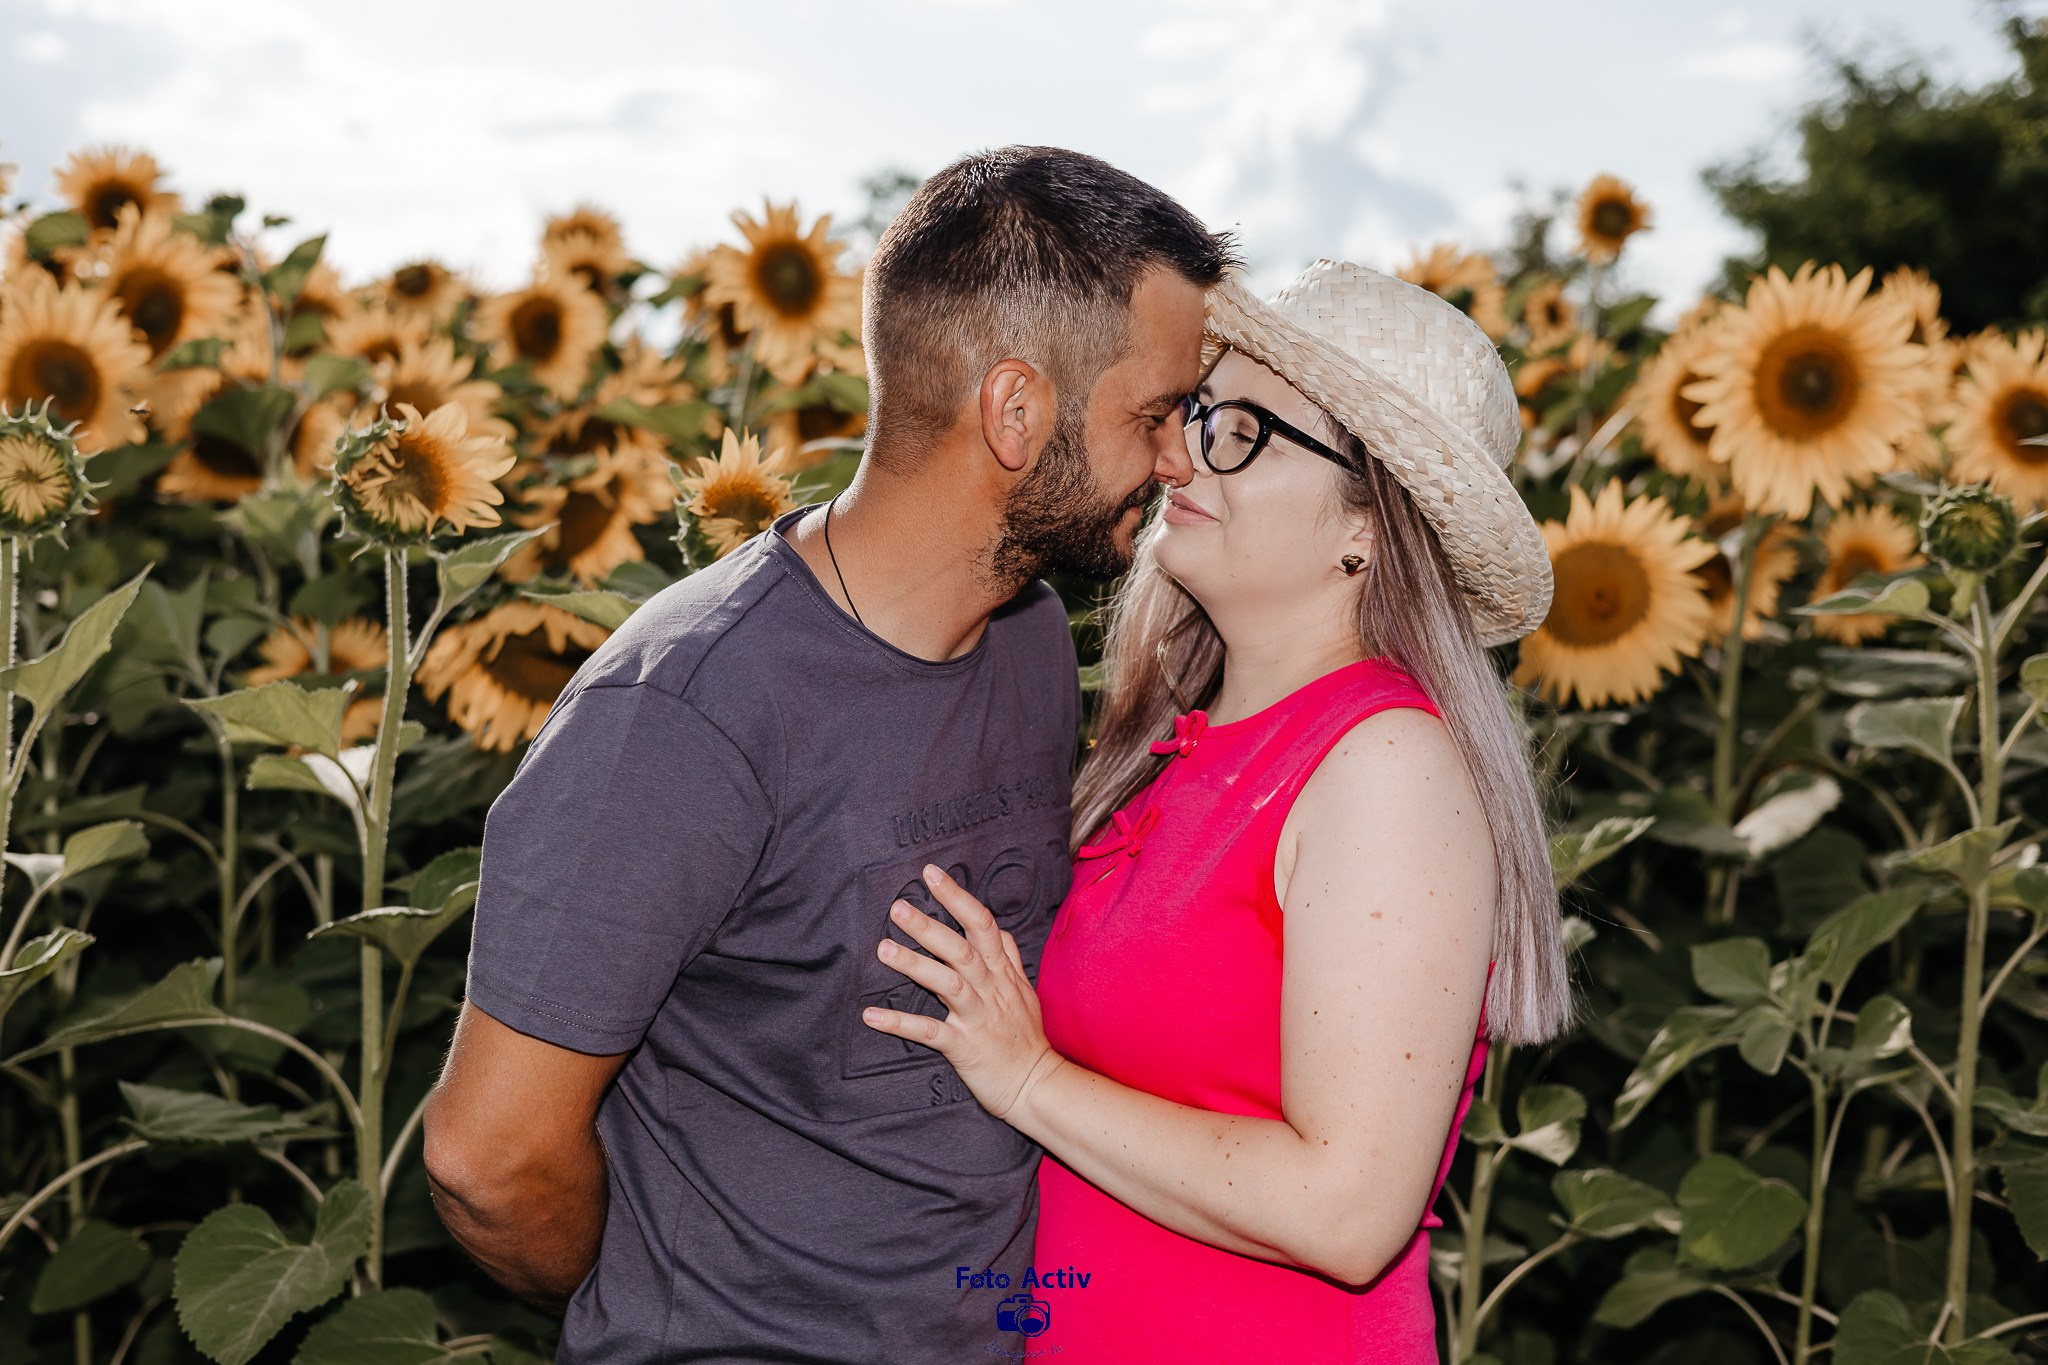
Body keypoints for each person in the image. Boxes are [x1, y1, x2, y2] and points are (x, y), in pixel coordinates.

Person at [418, 145, 1238, 1363]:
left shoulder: (1018, 642)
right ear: (1015, 411)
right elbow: (487, 1159)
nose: (1179, 462)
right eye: (1156, 414)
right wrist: (671, 1304)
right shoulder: (686, 712)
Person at [858, 259, 1580, 1362]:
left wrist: (1028, 1078)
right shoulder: (1168, 749)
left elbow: (1345, 1213)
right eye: (1196, 411)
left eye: (1243, 431)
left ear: (1369, 528)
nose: (1182, 451)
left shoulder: (1383, 763)